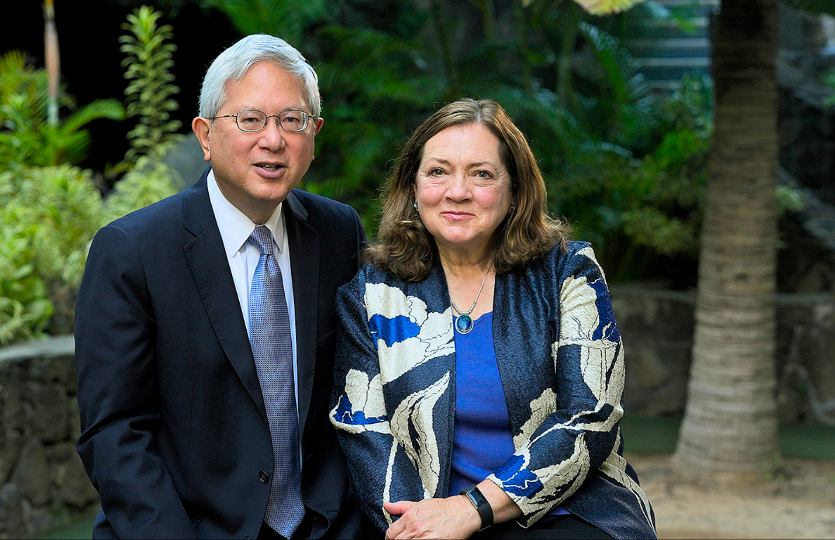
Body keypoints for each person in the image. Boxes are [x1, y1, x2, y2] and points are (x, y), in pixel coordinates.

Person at [75, 34, 368, 539]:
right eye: (250, 119)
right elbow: (114, 433)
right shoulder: (132, 250)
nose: (273, 139)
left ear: (314, 134)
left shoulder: (339, 232)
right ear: (205, 135)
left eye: (292, 120)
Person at [329, 98, 656, 539]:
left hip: (570, 514)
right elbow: (364, 431)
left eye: (481, 174)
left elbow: (590, 415)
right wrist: (420, 526)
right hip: (427, 519)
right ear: (412, 187)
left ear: (515, 191)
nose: (458, 191)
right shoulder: (369, 295)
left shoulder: (567, 271)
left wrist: (471, 509)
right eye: (438, 171)